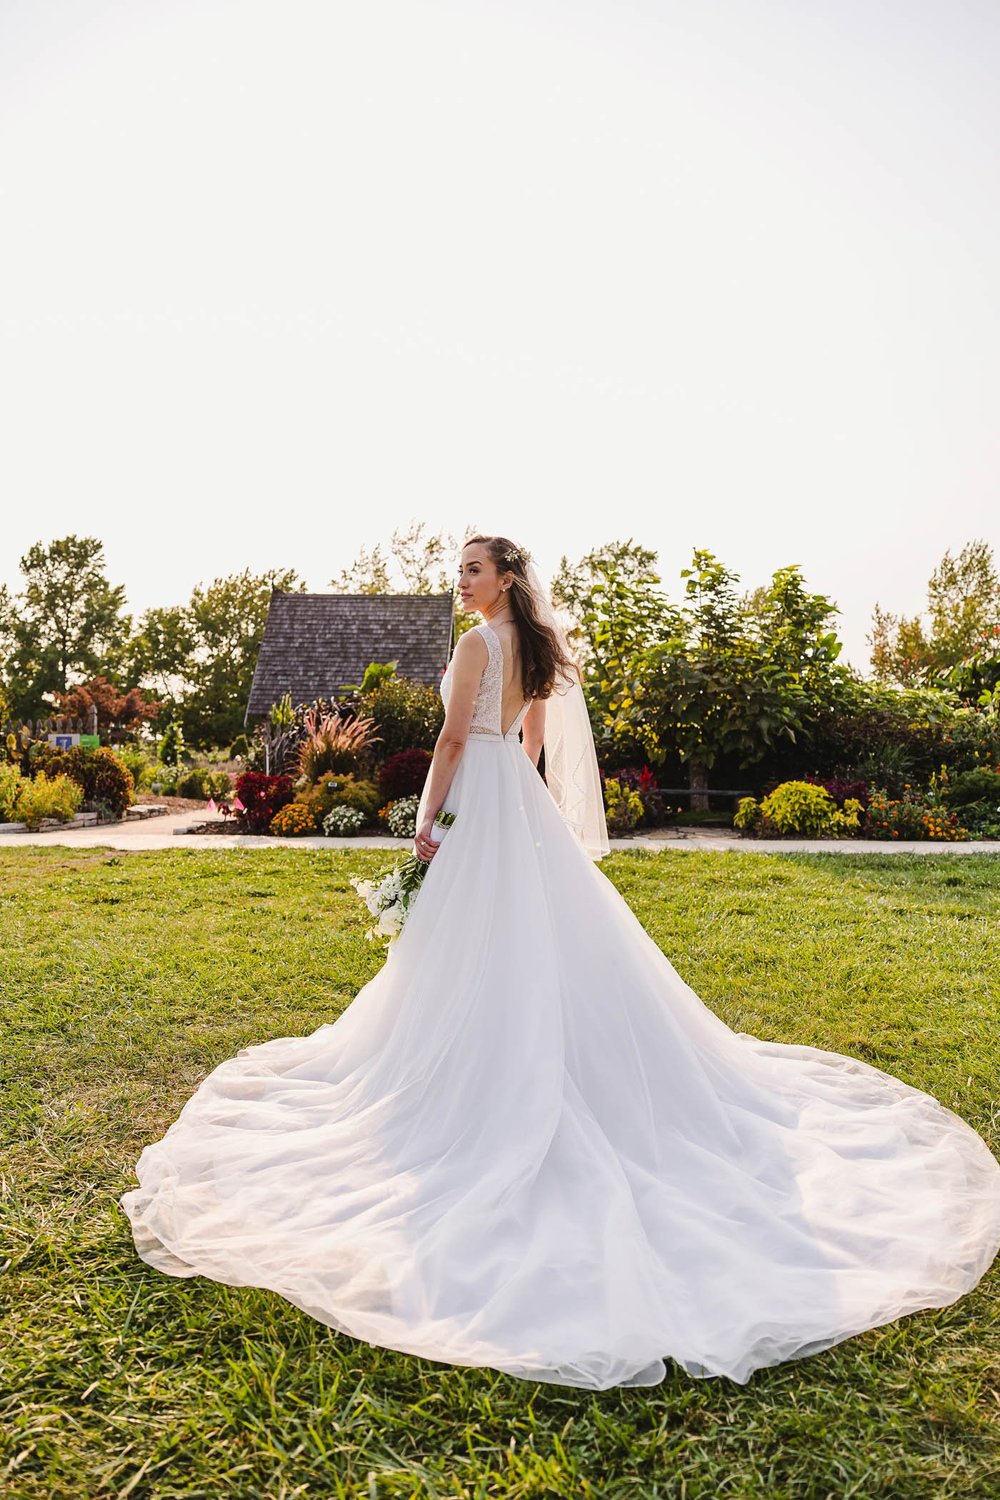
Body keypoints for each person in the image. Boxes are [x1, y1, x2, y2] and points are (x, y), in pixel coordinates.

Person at [119, 533, 1000, 1391]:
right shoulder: (536, 648)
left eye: (473, 569)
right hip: (520, 802)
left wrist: (430, 822)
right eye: (459, 570)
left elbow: (456, 743)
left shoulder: (475, 644)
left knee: (472, 943)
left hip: (479, 795)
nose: (461, 582)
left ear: (504, 578)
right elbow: (529, 744)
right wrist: (518, 803)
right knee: (540, 936)